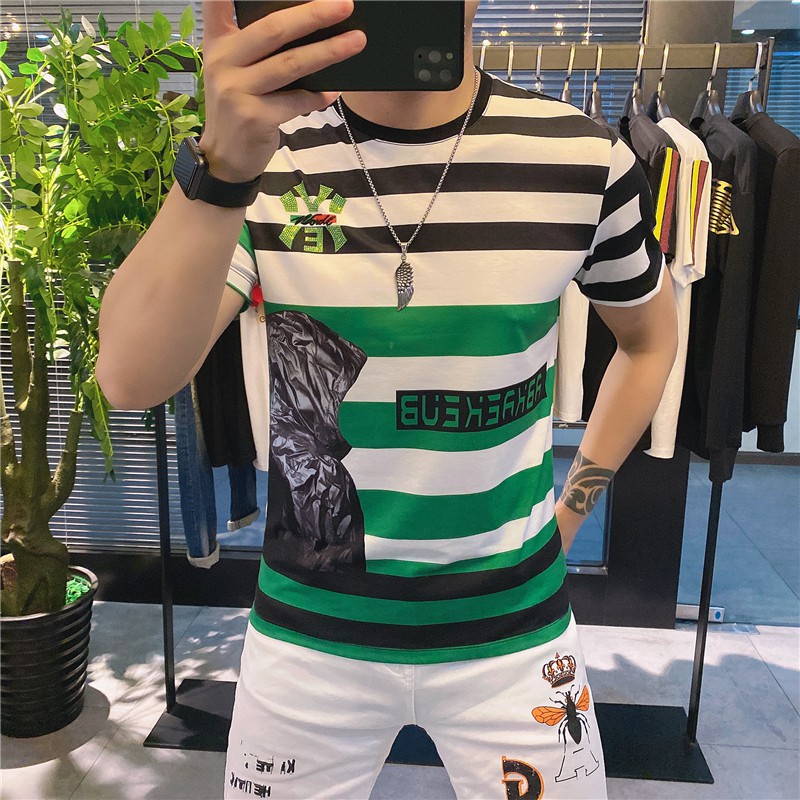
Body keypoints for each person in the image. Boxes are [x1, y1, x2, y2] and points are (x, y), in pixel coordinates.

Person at [96, 1, 679, 797]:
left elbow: (649, 340)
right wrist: (222, 164)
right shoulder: (262, 154)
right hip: (309, 640)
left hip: (514, 637)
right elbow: (129, 378)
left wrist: (570, 510)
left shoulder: (581, 158)